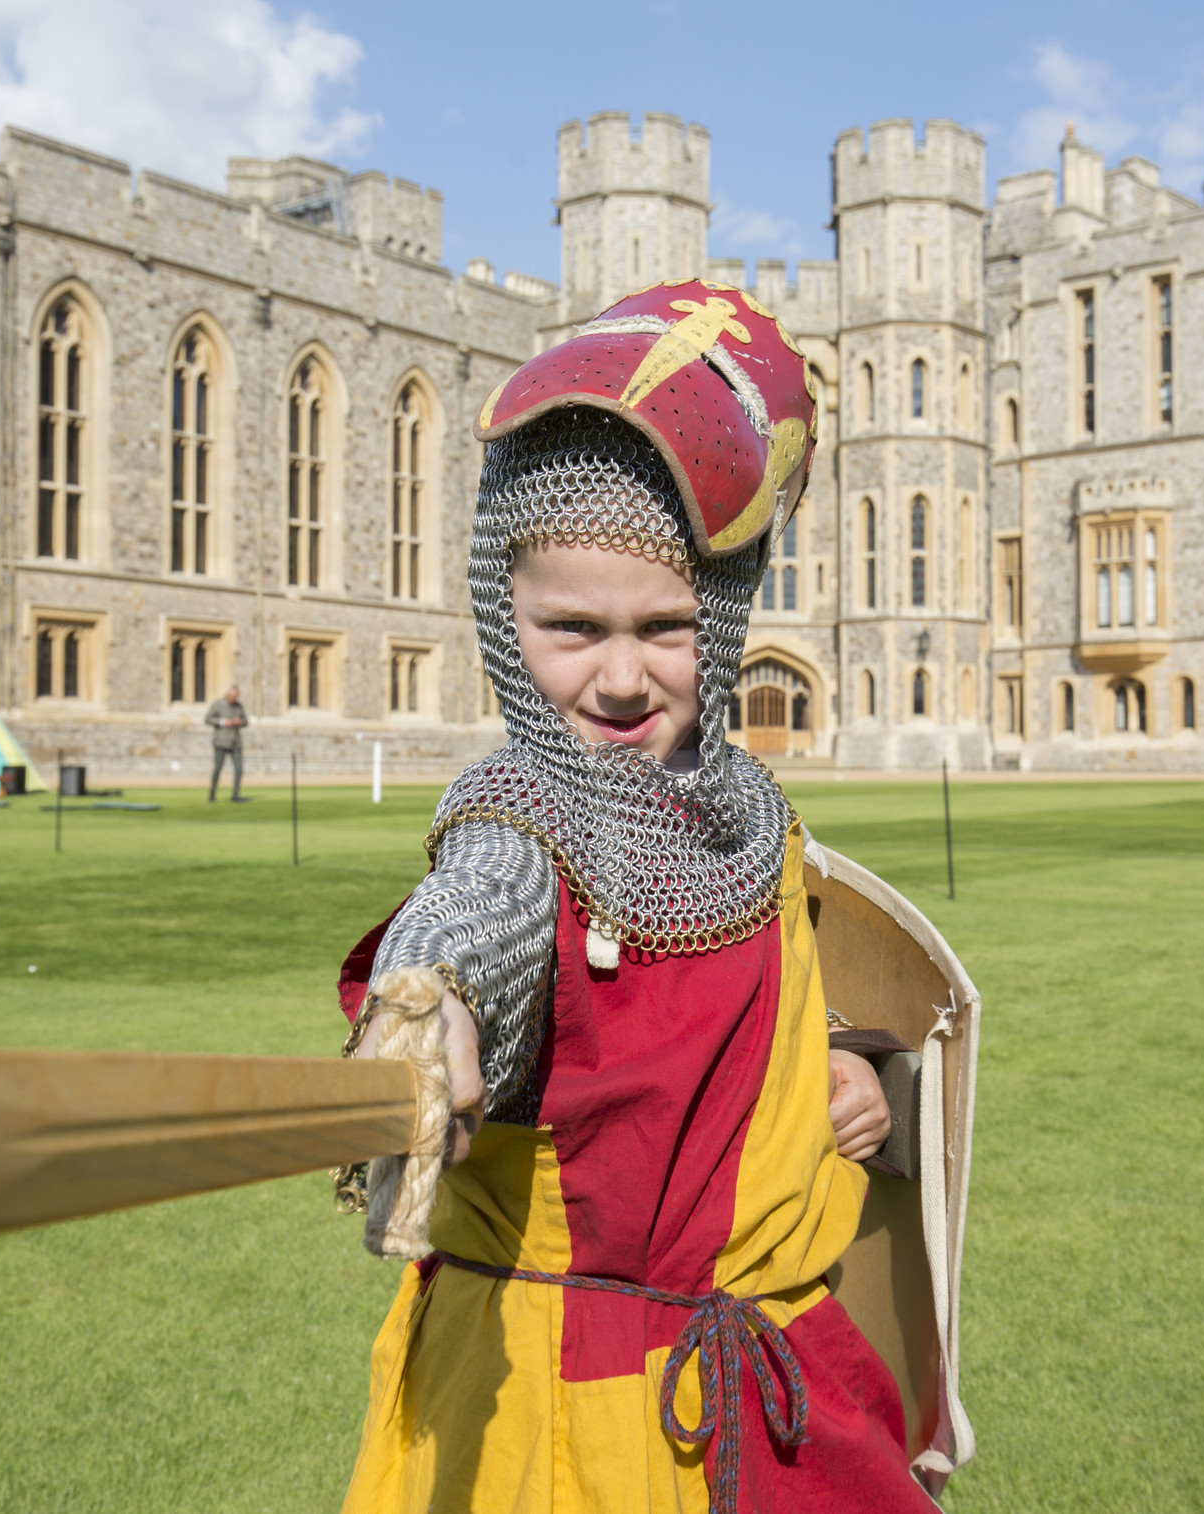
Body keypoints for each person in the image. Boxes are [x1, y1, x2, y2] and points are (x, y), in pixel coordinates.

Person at [334, 281, 929, 1513]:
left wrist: (844, 1071)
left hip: (767, 1375)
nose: (617, 676)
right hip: (558, 1415)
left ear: (719, 618)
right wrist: (431, 1002)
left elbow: (735, 1020)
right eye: (568, 627)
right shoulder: (523, 815)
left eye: (662, 627)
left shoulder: (748, 820)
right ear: (505, 618)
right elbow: (478, 915)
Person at [205, 684, 248, 802]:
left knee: (239, 769)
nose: (235, 699)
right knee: (218, 768)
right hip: (221, 741)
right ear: (228, 695)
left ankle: (236, 794)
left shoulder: (239, 706)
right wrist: (223, 722)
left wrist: (240, 722)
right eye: (233, 696)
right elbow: (208, 719)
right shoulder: (218, 704)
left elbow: (245, 721)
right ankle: (212, 794)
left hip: (235, 742)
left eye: (237, 697)